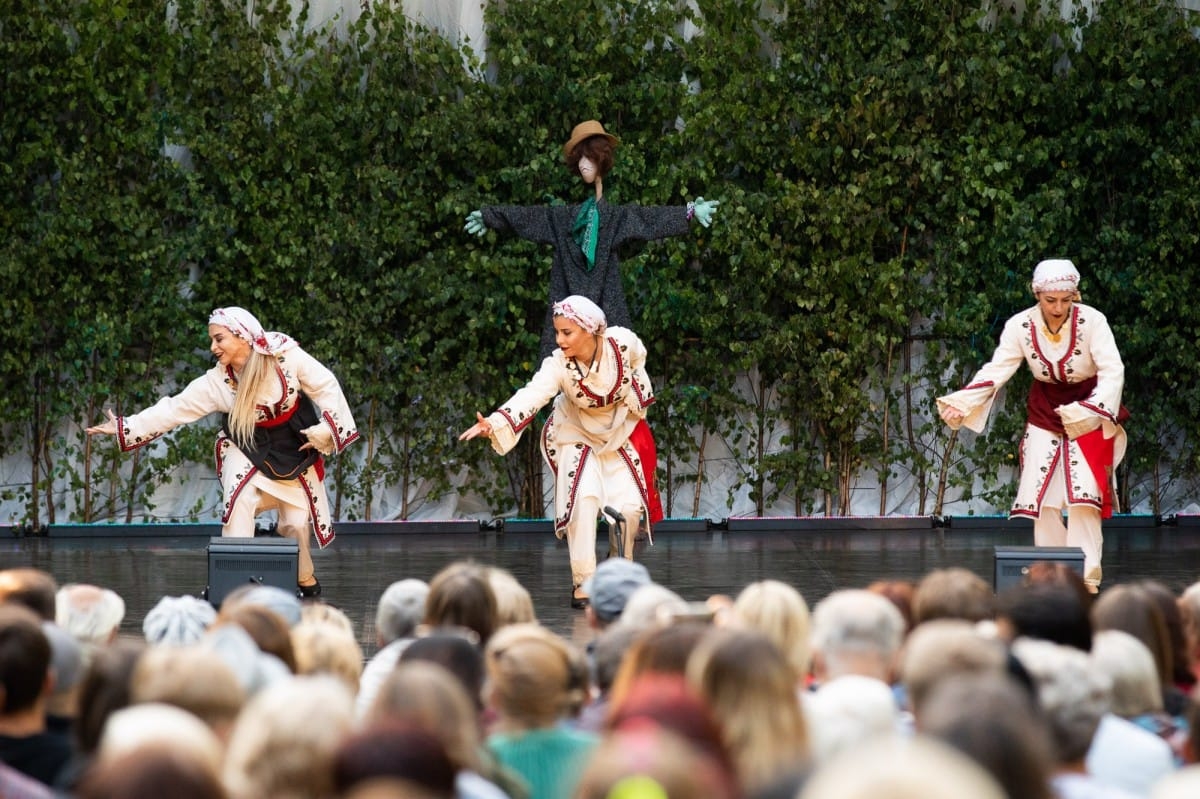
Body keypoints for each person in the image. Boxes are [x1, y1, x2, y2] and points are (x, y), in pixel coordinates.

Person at [86, 306, 359, 598]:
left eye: (219, 339)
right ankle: (232, 583)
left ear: (242, 336)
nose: (213, 347)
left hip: (293, 441)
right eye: (212, 340)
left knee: (294, 522)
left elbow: (325, 384)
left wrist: (328, 428)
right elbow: (175, 408)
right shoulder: (218, 382)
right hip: (245, 443)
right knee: (239, 499)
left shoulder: (284, 355)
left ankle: (303, 575)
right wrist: (125, 428)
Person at [938, 258, 1128, 592]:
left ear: (1075, 295)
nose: (1058, 307)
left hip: (1088, 412)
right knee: (1044, 499)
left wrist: (1093, 409)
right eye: (1050, 300)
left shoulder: (1094, 321)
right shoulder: (1019, 326)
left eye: (1066, 300)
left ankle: (1086, 578)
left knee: (1085, 498)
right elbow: (998, 369)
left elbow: (1113, 370)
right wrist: (961, 403)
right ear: (1036, 294)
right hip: (1044, 412)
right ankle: (1053, 575)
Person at [459, 296, 659, 608]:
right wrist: (497, 421)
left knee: (629, 510)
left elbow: (640, 359)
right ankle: (585, 581)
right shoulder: (558, 365)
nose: (559, 339)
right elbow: (534, 393)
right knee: (584, 500)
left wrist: (637, 388)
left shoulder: (622, 343)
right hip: (575, 432)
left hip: (618, 432)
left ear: (590, 330)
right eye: (557, 332)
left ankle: (619, 572)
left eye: (567, 333)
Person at [464, 119, 719, 358]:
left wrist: (690, 212)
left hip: (607, 310)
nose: (585, 163)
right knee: (559, 376)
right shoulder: (563, 219)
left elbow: (647, 219)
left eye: (590, 157)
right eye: (581, 158)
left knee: (614, 371)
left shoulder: (614, 218)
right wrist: (490, 216)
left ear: (601, 160)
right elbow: (530, 217)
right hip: (567, 311)